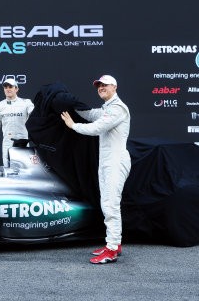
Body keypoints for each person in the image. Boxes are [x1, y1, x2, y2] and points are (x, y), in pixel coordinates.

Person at [60, 75, 131, 264]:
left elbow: (97, 127)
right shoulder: (108, 108)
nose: (101, 88)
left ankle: (112, 249)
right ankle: (114, 244)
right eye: (99, 86)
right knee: (106, 204)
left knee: (111, 205)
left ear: (115, 87)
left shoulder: (118, 109)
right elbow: (92, 114)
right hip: (107, 162)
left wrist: (73, 125)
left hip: (116, 162)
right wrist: (73, 105)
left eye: (105, 85)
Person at [0, 78, 34, 167]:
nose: (8, 89)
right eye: (5, 87)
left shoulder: (26, 102)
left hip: (23, 141)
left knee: (25, 171)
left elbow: (34, 114)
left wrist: (33, 111)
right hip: (7, 143)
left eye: (10, 87)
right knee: (8, 171)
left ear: (16, 89)